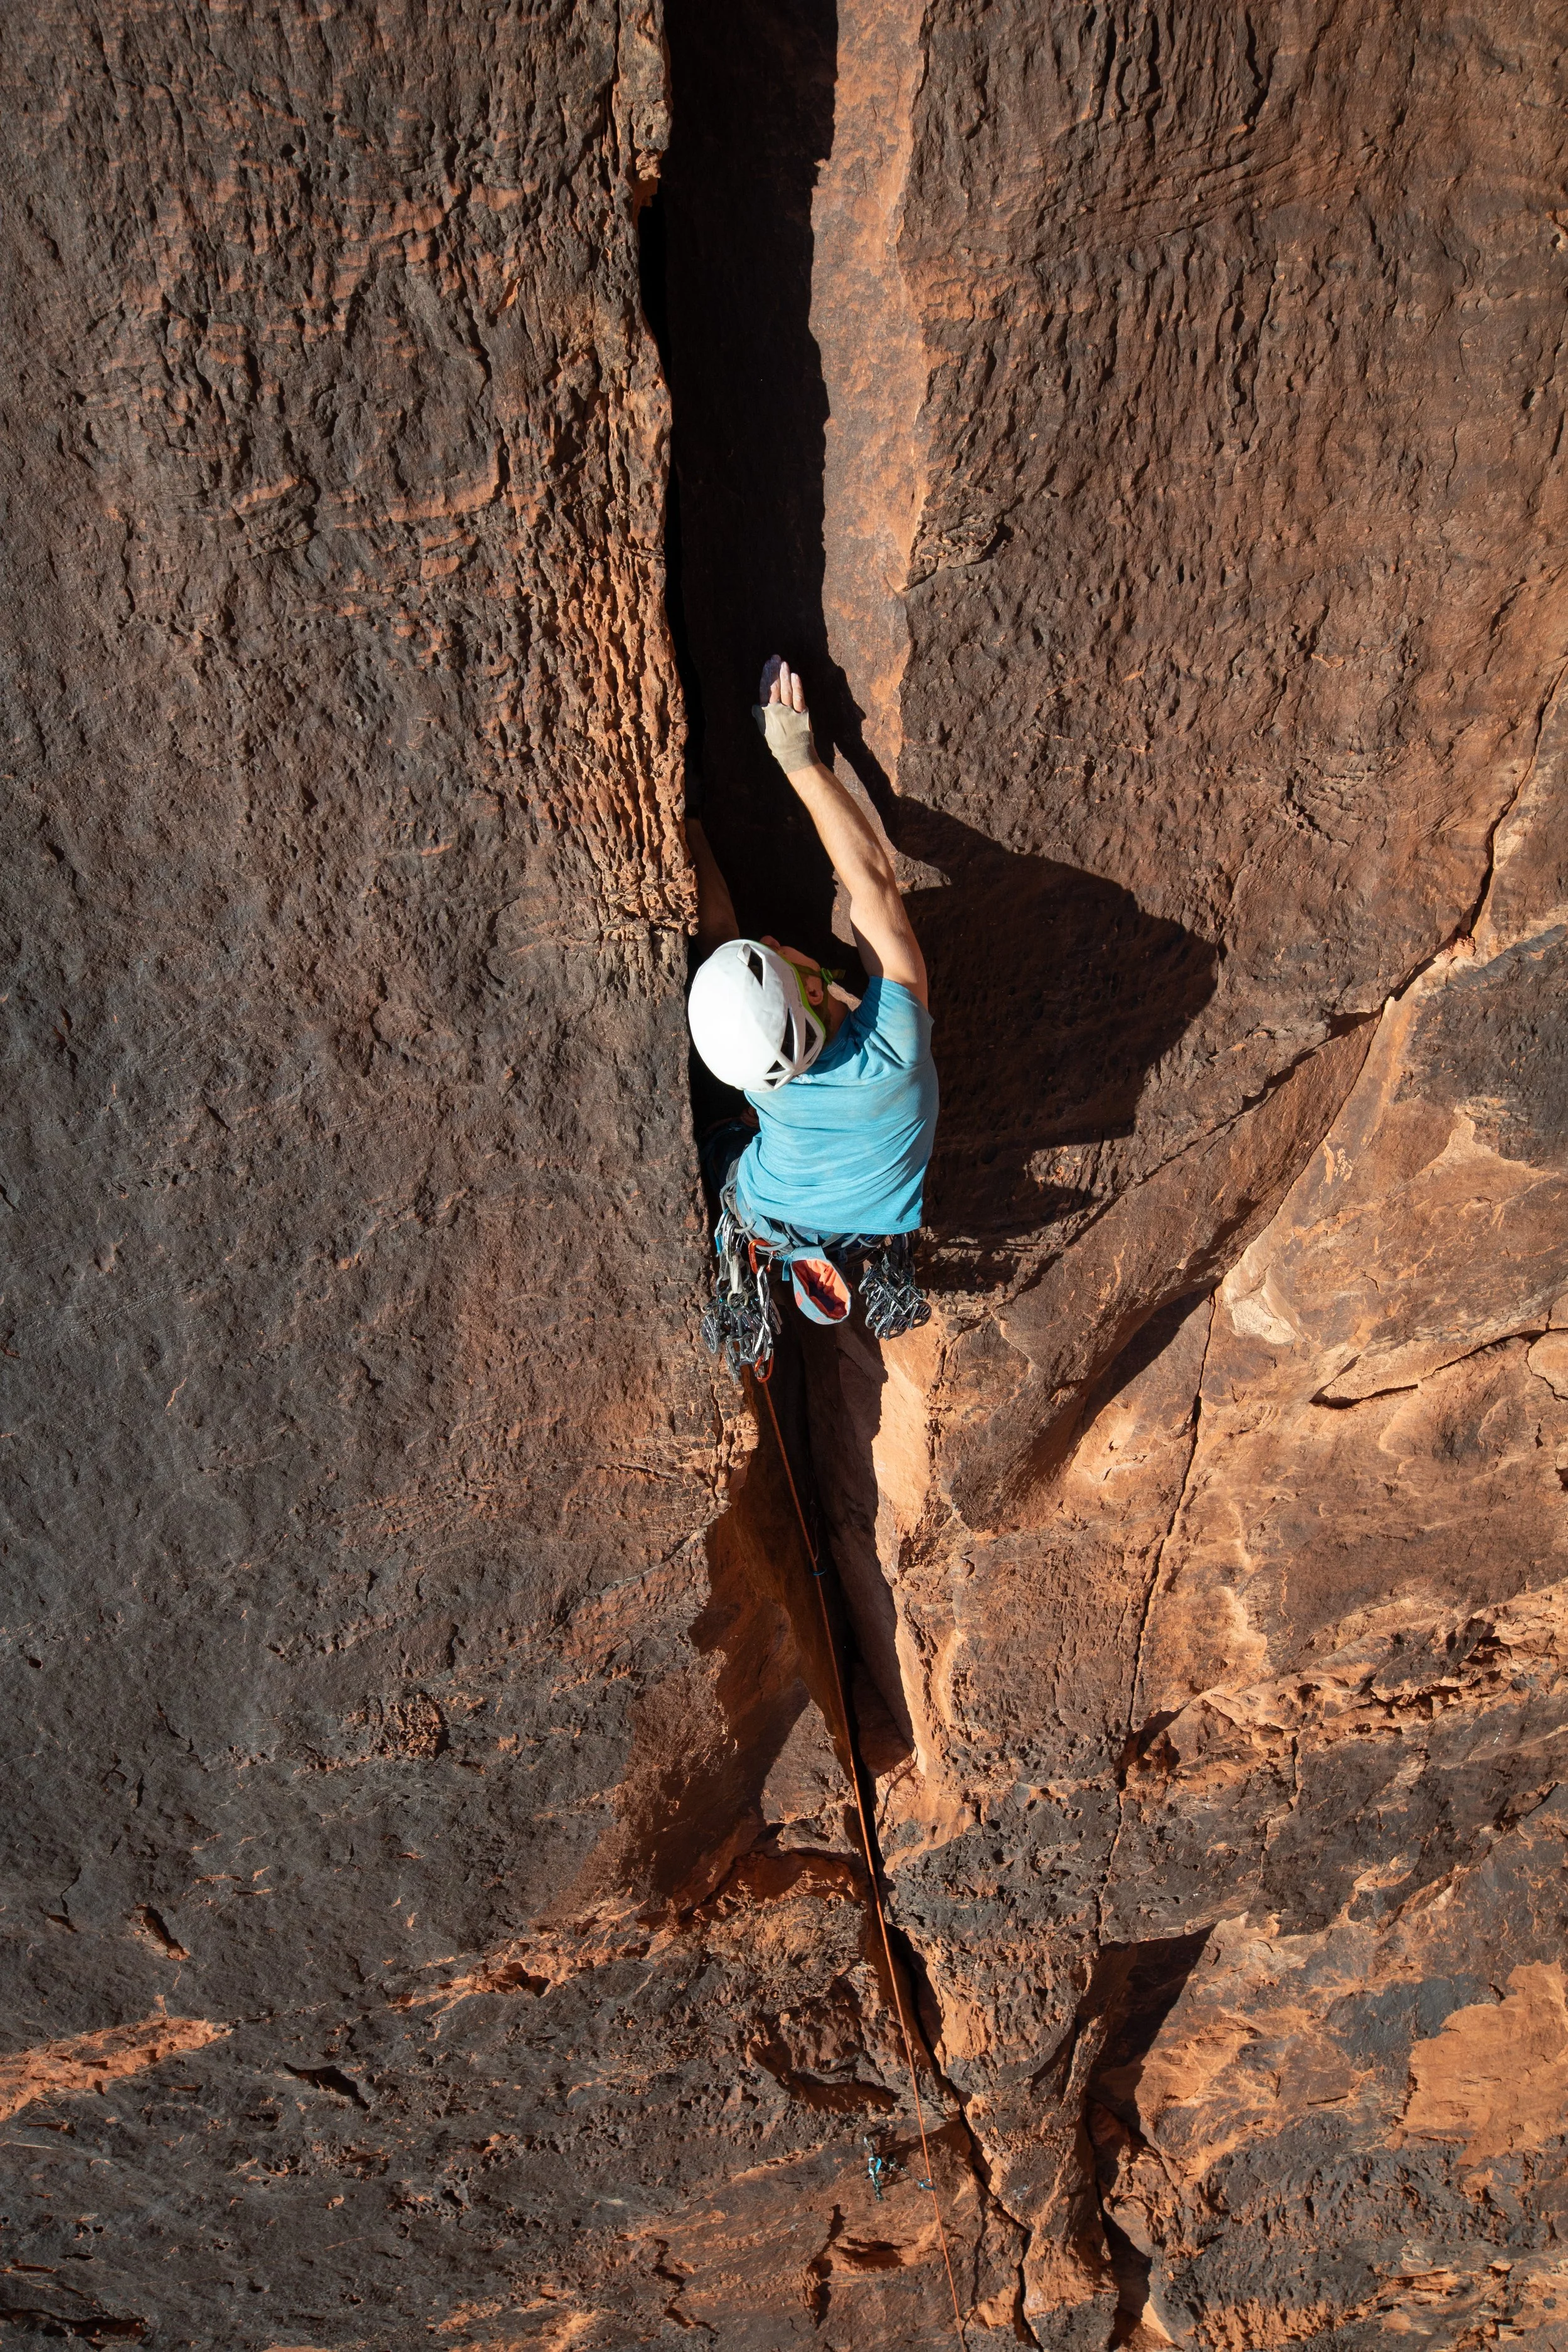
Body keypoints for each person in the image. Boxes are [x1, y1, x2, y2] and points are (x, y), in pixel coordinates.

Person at [686, 659, 938, 1367]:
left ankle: (809, 1249)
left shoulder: (761, 1074)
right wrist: (796, 755)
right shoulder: (895, 1045)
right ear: (820, 991)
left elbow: (726, 946)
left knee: (730, 1149)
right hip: (803, 1198)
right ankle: (810, 1245)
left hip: (777, 1201)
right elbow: (873, 887)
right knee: (741, 1145)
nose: (770, 940)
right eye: (774, 952)